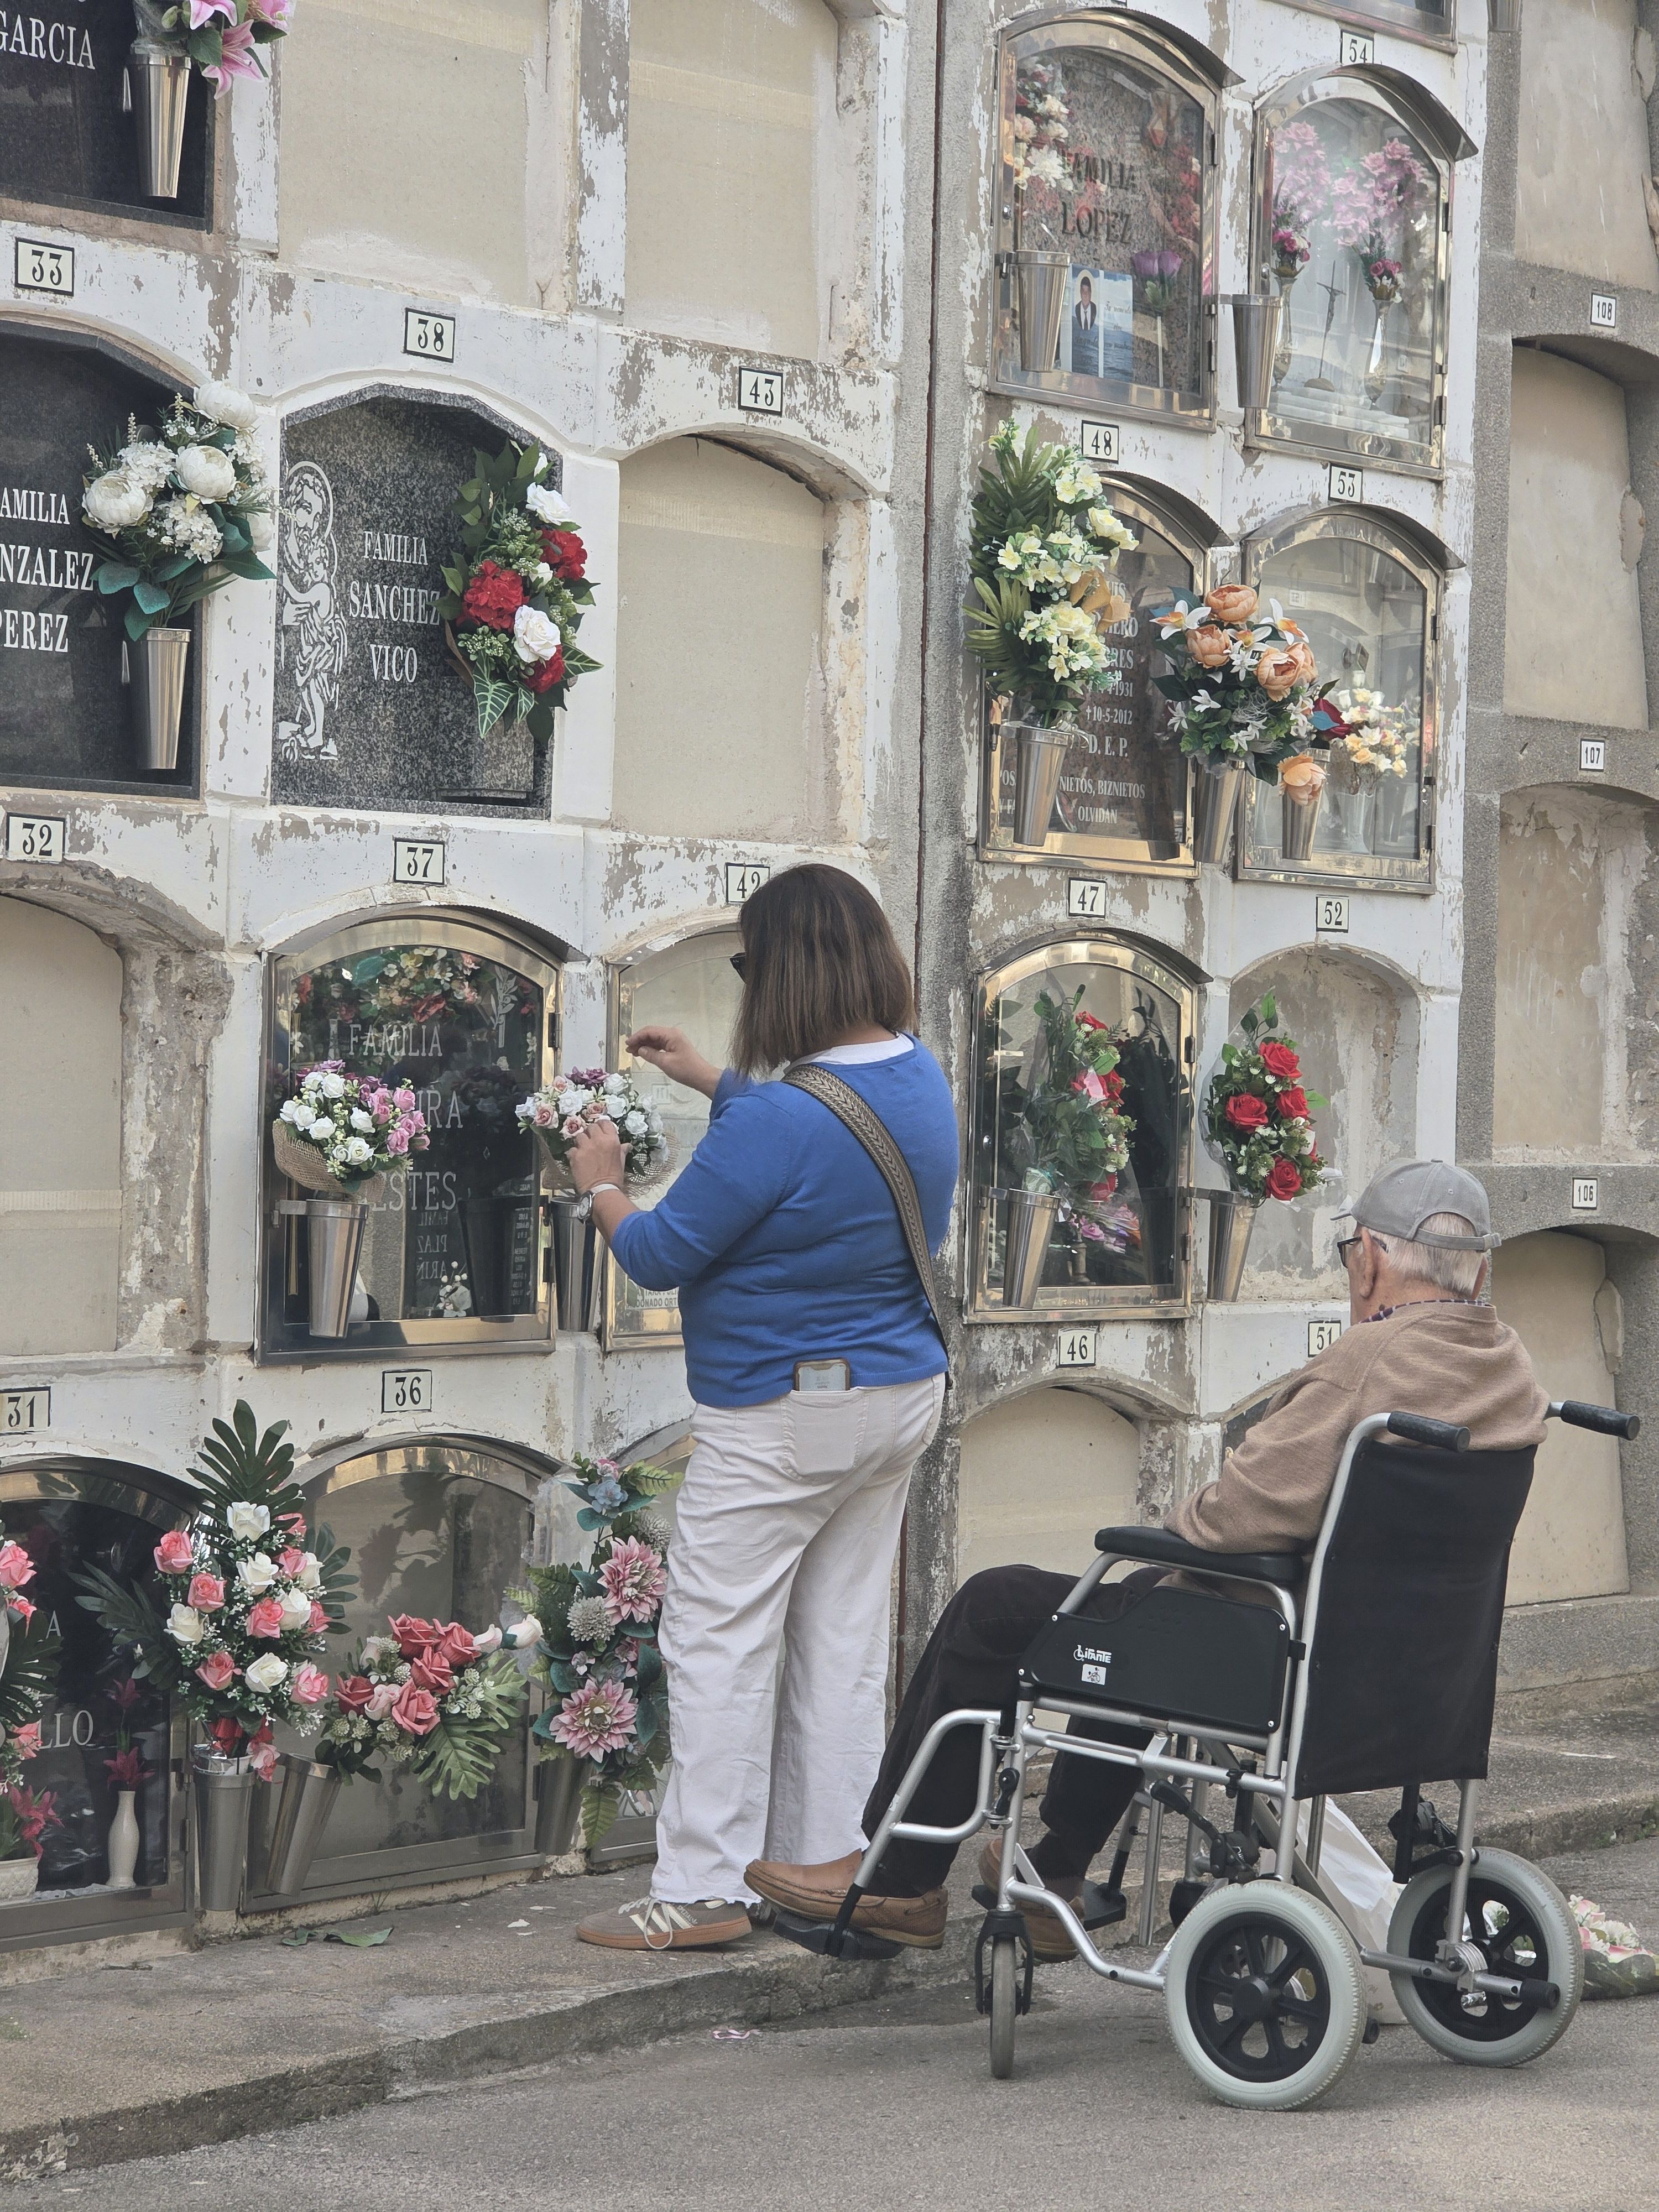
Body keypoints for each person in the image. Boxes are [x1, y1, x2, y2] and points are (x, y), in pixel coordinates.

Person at [745, 1160, 1549, 1956]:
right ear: (1479, 1265)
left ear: (1369, 1257)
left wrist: (1180, 1520)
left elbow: (1236, 1518)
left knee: (1002, 1606)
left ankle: (900, 1877)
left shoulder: (1370, 1363)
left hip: (1279, 1657)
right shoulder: (1509, 1370)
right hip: (1414, 1671)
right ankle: (1054, 1867)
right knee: (1131, 1609)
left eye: (1349, 1257)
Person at [565, 864, 959, 1952]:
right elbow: (826, 1139)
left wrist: (603, 1178)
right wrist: (718, 1083)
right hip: (897, 1396)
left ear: (783, 972)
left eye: (749, 962)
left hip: (786, 1415)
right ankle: (829, 1874)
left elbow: (655, 1249)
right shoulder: (919, 1075)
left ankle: (699, 1890)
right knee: (839, 1641)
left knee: (718, 1637)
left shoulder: (780, 1119)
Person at [1071, 273, 1102, 378]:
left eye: (1087, 291)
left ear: (1091, 293)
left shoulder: (1094, 308)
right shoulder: (1077, 308)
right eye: (1083, 291)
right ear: (1080, 292)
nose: (1085, 294)